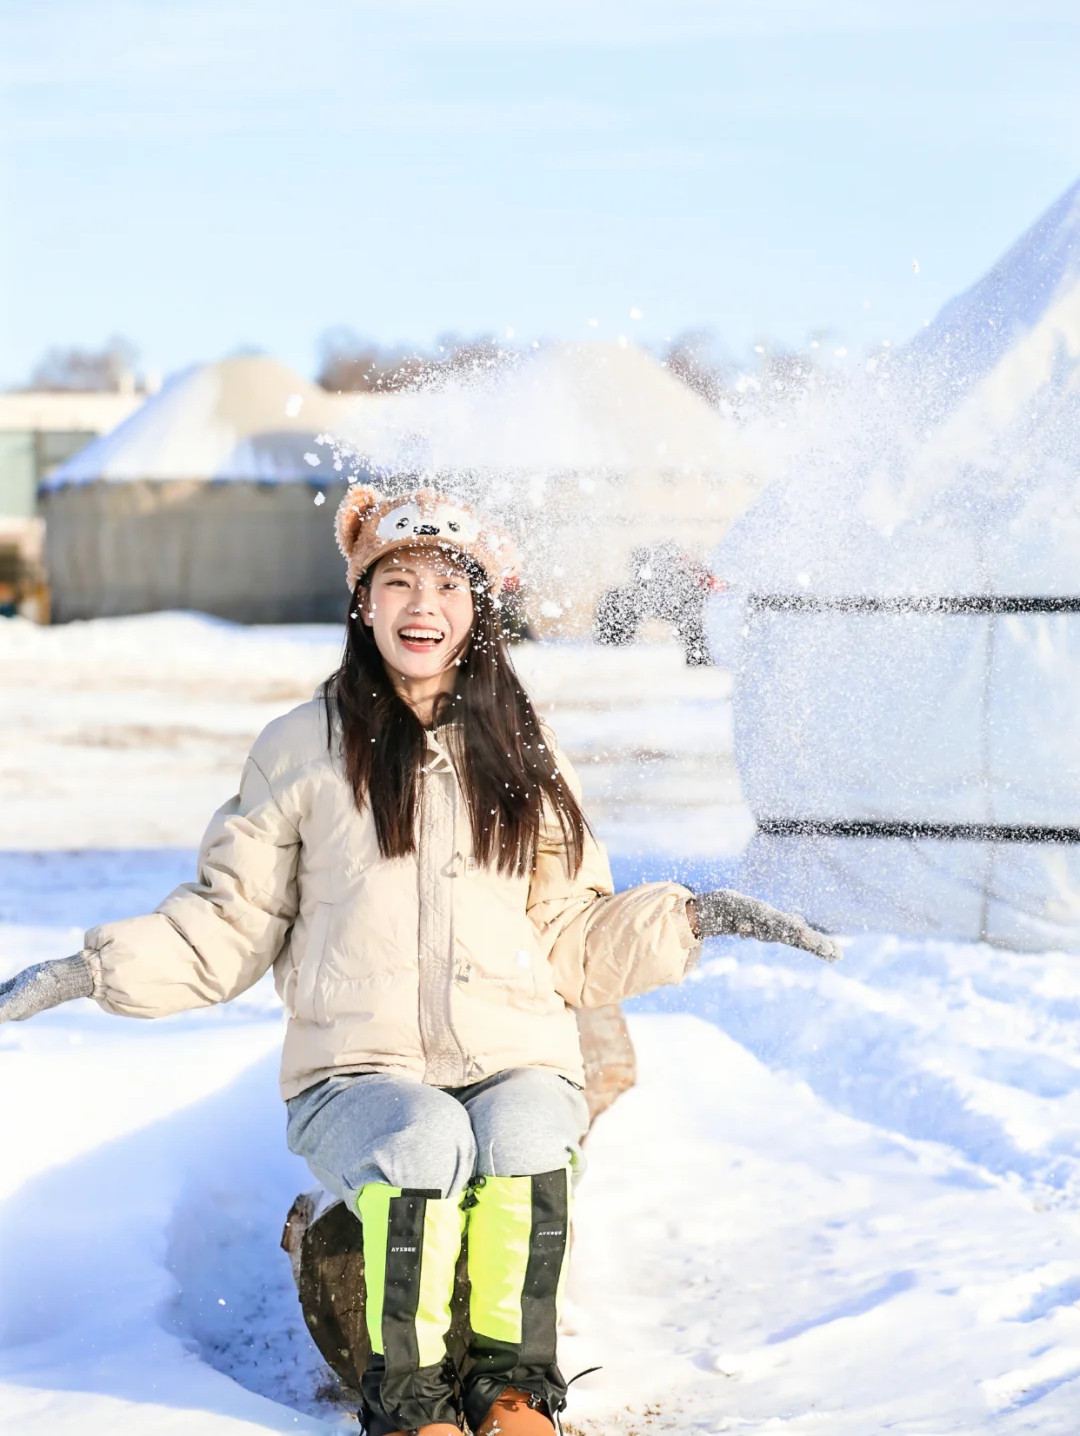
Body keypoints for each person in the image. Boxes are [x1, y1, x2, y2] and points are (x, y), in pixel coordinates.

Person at [0, 486, 841, 1436]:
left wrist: (693, 918)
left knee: (527, 1123)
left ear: (478, 605)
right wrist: (94, 969)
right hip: (355, 1076)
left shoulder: (523, 749)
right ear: (364, 600)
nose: (422, 604)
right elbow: (229, 924)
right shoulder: (301, 749)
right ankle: (410, 1404)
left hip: (504, 1055)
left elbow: (571, 932)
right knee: (424, 1137)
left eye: (448, 582)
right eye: (397, 581)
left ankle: (515, 1390)